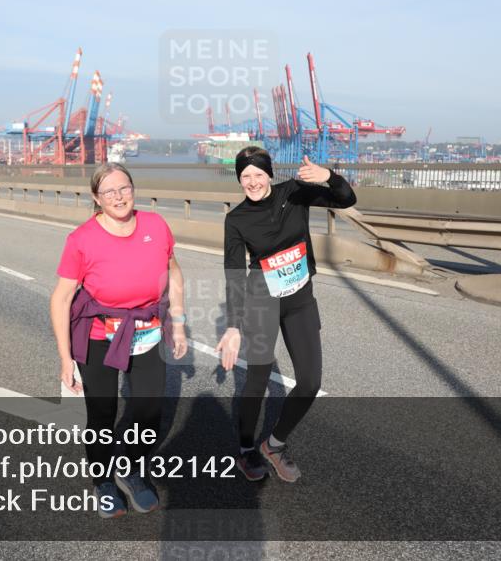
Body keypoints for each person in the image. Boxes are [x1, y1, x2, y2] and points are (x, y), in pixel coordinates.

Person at [50, 162, 187, 518]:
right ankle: (103, 483)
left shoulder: (155, 225)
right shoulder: (81, 239)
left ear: (133, 189)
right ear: (97, 198)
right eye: (109, 191)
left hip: (146, 329)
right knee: (102, 414)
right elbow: (61, 298)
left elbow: (173, 272)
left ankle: (130, 467)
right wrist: (66, 359)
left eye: (123, 188)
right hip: (99, 334)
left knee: (149, 409)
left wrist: (179, 323)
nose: (118, 196)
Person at [217, 149, 355, 483]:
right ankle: (247, 449)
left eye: (258, 174)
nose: (252, 182)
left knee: (310, 381)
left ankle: (274, 444)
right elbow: (234, 273)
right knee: (258, 378)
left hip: (300, 299)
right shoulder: (236, 219)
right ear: (239, 179)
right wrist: (233, 325)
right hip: (262, 300)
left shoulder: (293, 192)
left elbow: (346, 200)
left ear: (269, 173)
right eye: (245, 176)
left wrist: (329, 177)